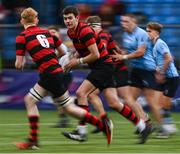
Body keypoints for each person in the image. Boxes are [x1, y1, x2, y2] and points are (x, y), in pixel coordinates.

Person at [14, 7, 113, 150]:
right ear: (37, 20)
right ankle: (33, 140)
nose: (67, 21)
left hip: (49, 74)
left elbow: (18, 64)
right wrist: (49, 55)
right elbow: (62, 51)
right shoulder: (48, 33)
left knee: (35, 101)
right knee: (65, 107)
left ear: (22, 20)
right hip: (56, 72)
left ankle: (33, 140)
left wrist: (33, 58)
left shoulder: (21, 37)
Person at [62, 6, 152, 144]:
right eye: (65, 18)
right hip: (104, 67)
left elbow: (95, 54)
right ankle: (142, 126)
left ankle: (82, 132)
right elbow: (81, 50)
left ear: (77, 18)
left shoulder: (85, 31)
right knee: (114, 103)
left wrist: (77, 62)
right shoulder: (71, 32)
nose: (67, 21)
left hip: (103, 66)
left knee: (81, 93)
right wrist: (71, 59)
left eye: (70, 18)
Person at [111, 13, 163, 132]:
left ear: (134, 22)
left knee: (151, 102)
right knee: (129, 100)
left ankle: (162, 129)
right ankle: (146, 122)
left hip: (148, 70)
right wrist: (119, 52)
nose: (123, 24)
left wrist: (123, 57)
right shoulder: (125, 34)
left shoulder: (142, 34)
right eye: (122, 22)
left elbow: (140, 52)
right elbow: (128, 50)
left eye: (126, 22)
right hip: (136, 70)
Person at [146, 22, 179, 137]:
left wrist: (161, 73)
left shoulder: (160, 43)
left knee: (164, 105)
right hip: (163, 77)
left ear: (156, 32)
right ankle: (166, 128)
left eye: (149, 31)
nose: (147, 33)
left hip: (170, 77)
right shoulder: (153, 45)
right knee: (156, 104)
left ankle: (166, 129)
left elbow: (169, 58)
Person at [48, 25, 70, 128]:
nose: (52, 34)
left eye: (54, 32)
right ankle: (63, 118)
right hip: (56, 75)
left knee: (60, 98)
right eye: (50, 32)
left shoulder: (60, 46)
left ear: (59, 34)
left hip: (63, 74)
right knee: (56, 97)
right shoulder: (50, 46)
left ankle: (65, 118)